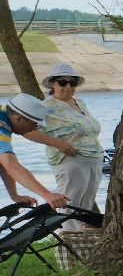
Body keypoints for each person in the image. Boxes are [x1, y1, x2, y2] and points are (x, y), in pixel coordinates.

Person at [39, 63, 104, 215]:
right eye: (62, 82)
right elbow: (28, 131)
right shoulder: (44, 107)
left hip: (94, 159)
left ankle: (80, 237)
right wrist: (57, 144)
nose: (68, 86)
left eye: (72, 82)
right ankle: (66, 236)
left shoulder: (79, 102)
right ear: (52, 84)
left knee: (86, 205)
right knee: (69, 205)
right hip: (70, 161)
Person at [3, 94, 70, 210]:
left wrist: (14, 195)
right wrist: (47, 195)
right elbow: (11, 165)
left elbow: (3, 163)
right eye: (35, 124)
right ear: (19, 118)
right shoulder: (1, 127)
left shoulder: (5, 113)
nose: (35, 129)